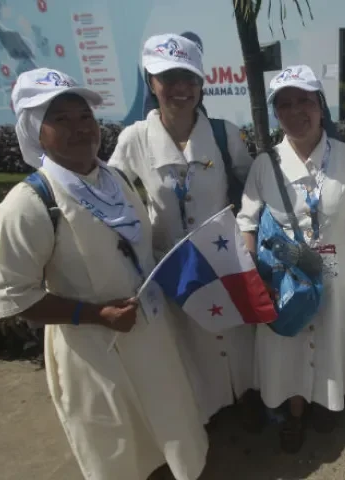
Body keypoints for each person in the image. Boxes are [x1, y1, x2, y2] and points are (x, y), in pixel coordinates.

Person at [0, 68, 208, 480]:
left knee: (172, 428)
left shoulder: (115, 179)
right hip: (95, 353)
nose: (79, 128)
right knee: (121, 447)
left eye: (84, 116)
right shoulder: (29, 204)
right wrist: (95, 315)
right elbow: (13, 298)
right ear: (36, 131)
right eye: (61, 119)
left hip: (152, 337)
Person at [107, 34, 261, 431]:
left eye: (189, 78)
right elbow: (111, 194)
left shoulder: (224, 134)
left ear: (201, 83)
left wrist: (249, 233)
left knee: (235, 335)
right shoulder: (135, 139)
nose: (180, 87)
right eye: (168, 78)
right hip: (172, 269)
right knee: (191, 346)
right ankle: (207, 413)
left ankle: (246, 398)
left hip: (223, 261)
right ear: (151, 82)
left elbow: (253, 187)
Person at [237, 64, 345, 453]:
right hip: (286, 279)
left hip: (336, 274)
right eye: (285, 104)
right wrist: (254, 277)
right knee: (290, 346)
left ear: (320, 105)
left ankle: (324, 403)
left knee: (331, 340)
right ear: (276, 113)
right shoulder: (266, 164)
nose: (296, 111)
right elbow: (247, 222)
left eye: (305, 101)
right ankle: (294, 412)